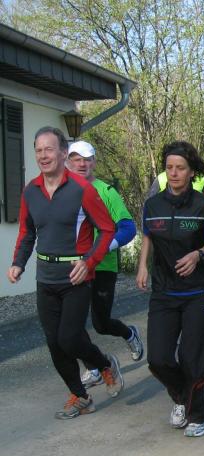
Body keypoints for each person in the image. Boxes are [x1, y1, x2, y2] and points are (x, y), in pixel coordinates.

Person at [8, 126, 123, 419]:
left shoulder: (81, 189)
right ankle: (80, 396)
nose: (43, 155)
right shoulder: (31, 191)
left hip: (76, 276)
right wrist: (18, 262)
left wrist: (89, 262)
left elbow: (107, 229)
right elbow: (26, 232)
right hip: (45, 277)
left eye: (49, 149)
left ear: (62, 153)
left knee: (69, 338)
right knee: (54, 343)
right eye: (38, 150)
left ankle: (104, 364)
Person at [136, 141, 204, 438]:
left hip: (198, 292)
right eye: (169, 167)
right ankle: (183, 396)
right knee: (158, 359)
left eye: (180, 168)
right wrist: (142, 265)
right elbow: (148, 235)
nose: (173, 173)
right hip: (164, 292)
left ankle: (198, 414)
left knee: (191, 357)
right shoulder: (153, 205)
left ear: (191, 171)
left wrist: (197, 255)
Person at [66, 141, 144, 389]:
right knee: (72, 325)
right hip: (74, 267)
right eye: (76, 159)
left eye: (87, 159)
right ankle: (94, 368)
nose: (82, 164)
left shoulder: (106, 191)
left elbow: (128, 228)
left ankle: (129, 333)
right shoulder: (63, 191)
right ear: (68, 162)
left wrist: (103, 248)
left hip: (102, 267)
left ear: (94, 163)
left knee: (101, 324)